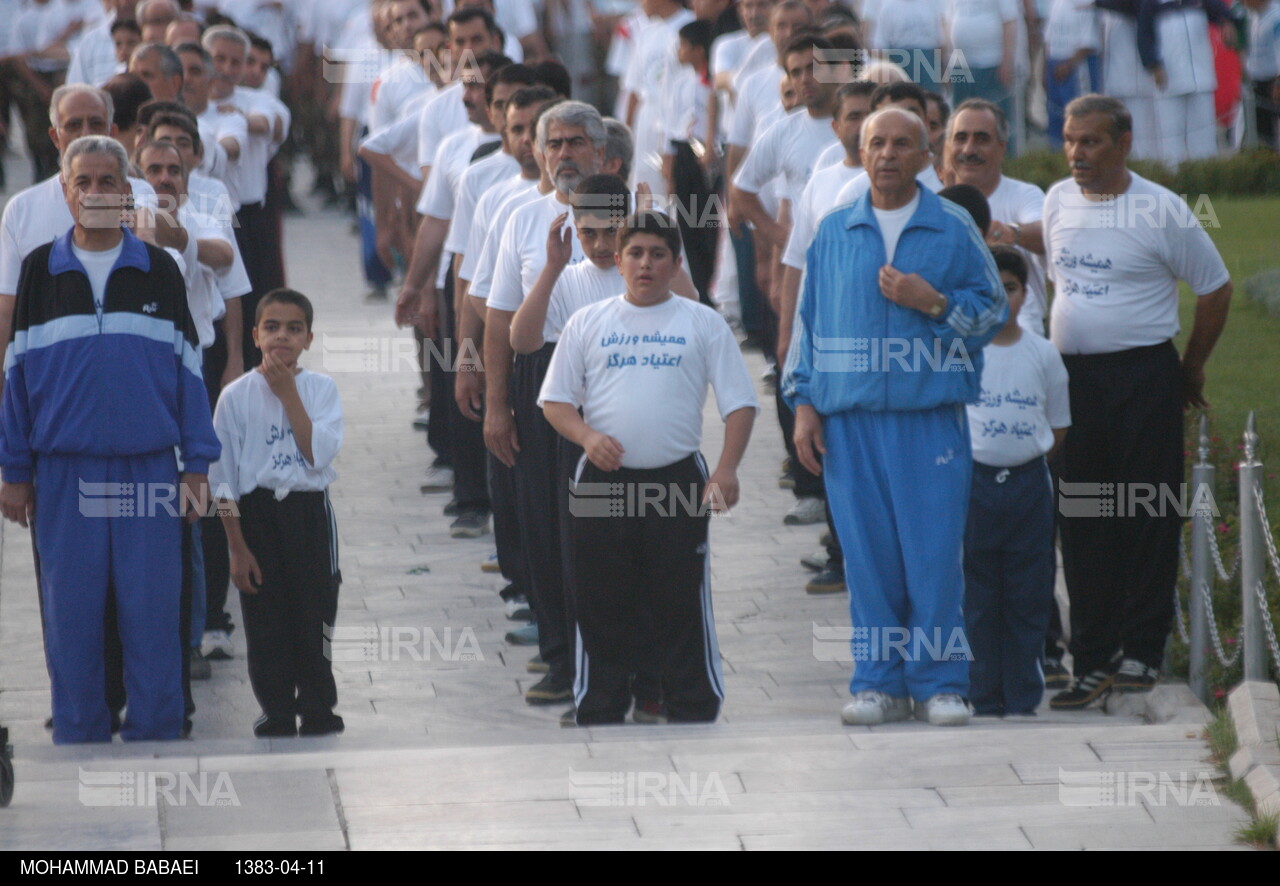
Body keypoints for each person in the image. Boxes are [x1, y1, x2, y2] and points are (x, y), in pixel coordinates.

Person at [784, 107, 1007, 728]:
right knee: (867, 556)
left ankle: (941, 683)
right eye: (875, 142)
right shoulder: (834, 231)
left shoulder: (953, 228)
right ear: (860, 151)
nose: (886, 154)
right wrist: (803, 405)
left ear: (924, 154)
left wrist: (932, 302)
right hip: (849, 423)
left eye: (902, 144)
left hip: (927, 418)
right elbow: (809, 327)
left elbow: (991, 314)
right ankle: (878, 683)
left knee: (934, 556)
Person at [0, 135, 218, 744]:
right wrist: (13, 470)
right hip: (64, 475)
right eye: (83, 182)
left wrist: (197, 465)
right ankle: (79, 727)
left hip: (148, 470)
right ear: (66, 193)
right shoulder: (40, 270)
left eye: (107, 182)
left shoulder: (158, 270)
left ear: (127, 193)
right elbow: (16, 375)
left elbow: (189, 373)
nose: (96, 192)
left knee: (150, 608)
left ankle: (157, 724)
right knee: (71, 613)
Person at [1044, 94, 1232, 708]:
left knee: (1145, 511)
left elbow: (1214, 288)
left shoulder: (1162, 209)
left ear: (1123, 144)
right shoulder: (1057, 201)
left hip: (1144, 377)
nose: (1077, 153)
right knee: (1082, 513)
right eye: (1071, 140)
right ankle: (1092, 657)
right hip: (1072, 381)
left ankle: (1142, 651)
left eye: (1092, 141)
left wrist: (1190, 369)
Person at [539, 210, 758, 726]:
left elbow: (740, 404)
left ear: (675, 262)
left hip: (677, 479)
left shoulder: (701, 323)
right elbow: (555, 402)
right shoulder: (587, 322)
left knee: (678, 595)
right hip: (601, 482)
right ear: (618, 261)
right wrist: (588, 437)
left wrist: (726, 470)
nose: (645, 264)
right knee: (598, 597)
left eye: (658, 254)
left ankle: (690, 700)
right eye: (635, 253)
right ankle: (601, 701)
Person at [210, 288, 345, 738]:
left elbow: (317, 455)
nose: (281, 337)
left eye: (293, 328)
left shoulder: (321, 390)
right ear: (254, 335)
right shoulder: (234, 397)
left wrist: (289, 394)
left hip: (307, 512)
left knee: (315, 609)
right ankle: (277, 708)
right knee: (265, 615)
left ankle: (318, 705)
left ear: (308, 337)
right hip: (257, 515)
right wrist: (237, 547)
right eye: (271, 327)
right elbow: (223, 478)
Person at [963, 246, 1071, 717]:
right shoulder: (963, 352)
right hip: (975, 485)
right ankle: (982, 690)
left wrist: (1027, 461)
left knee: (1028, 590)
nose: (1000, 296)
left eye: (1009, 287)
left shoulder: (1044, 353)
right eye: (990, 288)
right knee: (979, 591)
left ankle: (1023, 689)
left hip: (1029, 486)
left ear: (1025, 293)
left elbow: (1058, 425)